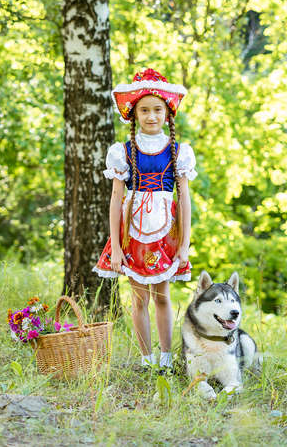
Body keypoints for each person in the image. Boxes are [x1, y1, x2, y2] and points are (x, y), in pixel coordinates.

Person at [93, 68, 196, 371]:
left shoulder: (179, 151)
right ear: (134, 113)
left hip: (166, 229)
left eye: (157, 110)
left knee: (162, 296)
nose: (151, 116)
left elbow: (185, 198)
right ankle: (146, 358)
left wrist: (185, 243)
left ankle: (165, 357)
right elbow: (115, 198)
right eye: (144, 110)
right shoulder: (123, 151)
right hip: (133, 231)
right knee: (138, 299)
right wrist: (114, 245)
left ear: (167, 113)